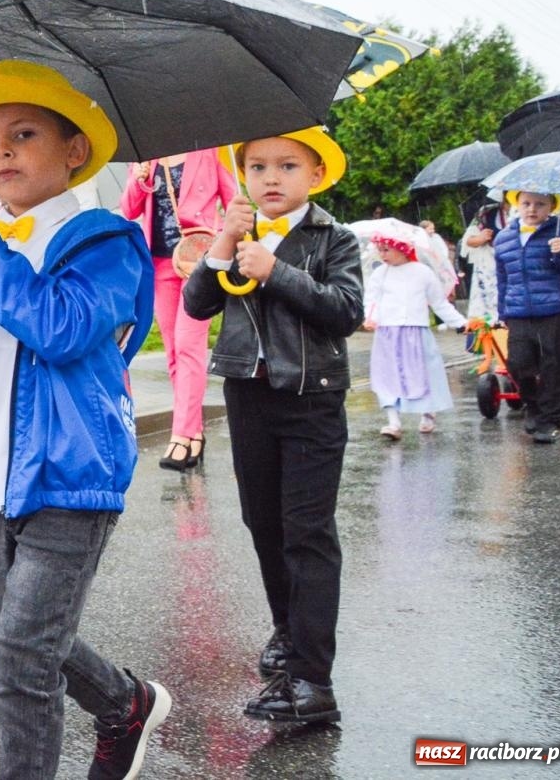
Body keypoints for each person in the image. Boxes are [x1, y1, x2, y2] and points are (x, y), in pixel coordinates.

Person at [0, 60, 166, 780]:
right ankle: (126, 704)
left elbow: (61, 329)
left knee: (20, 662)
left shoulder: (103, 241)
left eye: (22, 133)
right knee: (34, 640)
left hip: (70, 474)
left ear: (73, 151)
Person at [183, 126, 363, 726]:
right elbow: (197, 304)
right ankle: (287, 633)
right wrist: (226, 243)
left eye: (287, 166)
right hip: (249, 394)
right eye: (257, 167)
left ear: (315, 175)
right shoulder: (243, 235)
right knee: (262, 522)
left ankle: (314, 681)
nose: (271, 178)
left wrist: (275, 271)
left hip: (312, 400)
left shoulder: (333, 237)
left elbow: (344, 311)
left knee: (306, 532)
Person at [120, 150, 235, 472]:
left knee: (188, 346)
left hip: (199, 262)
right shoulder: (144, 158)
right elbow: (129, 210)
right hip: (160, 265)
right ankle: (194, 432)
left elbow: (233, 202)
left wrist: (222, 244)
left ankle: (181, 434)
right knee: (173, 351)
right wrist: (139, 179)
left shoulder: (211, 152)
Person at [492, 190, 560, 444]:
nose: (532, 209)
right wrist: (502, 312)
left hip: (556, 310)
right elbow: (503, 279)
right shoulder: (504, 238)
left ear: (551, 206)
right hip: (519, 313)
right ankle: (534, 406)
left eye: (540, 204)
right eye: (526, 203)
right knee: (518, 365)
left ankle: (550, 423)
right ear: (516, 204)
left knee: (556, 370)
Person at [364, 233, 467, 439]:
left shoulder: (423, 273)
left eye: (386, 250)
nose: (382, 255)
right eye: (379, 250)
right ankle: (393, 422)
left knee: (422, 373)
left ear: (402, 248)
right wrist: (371, 317)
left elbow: (439, 303)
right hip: (387, 332)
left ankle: (428, 411)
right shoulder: (380, 274)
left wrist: (461, 322)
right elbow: (371, 299)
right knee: (387, 375)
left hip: (415, 331)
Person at [461, 198, 510, 323]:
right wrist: (480, 238)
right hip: (489, 271)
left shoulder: (530, 214)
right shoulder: (486, 212)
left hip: (514, 271)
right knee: (488, 317)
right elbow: (468, 241)